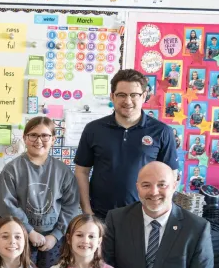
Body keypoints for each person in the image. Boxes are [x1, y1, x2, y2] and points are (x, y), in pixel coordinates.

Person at [74, 69, 178, 220]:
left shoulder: (162, 132)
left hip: (145, 217)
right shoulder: (93, 129)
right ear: (112, 96)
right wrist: (87, 212)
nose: (128, 101)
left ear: (143, 96)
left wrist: (159, 213)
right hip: (101, 217)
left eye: (134, 95)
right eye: (121, 95)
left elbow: (171, 176)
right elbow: (81, 172)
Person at [0, 117, 79, 268]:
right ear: (25, 138)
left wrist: (55, 236)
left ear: (53, 139)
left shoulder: (63, 171)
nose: (39, 140)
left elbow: (71, 206)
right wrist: (29, 231)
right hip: (19, 238)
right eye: (33, 135)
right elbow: (6, 204)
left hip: (53, 238)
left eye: (45, 136)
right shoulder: (11, 169)